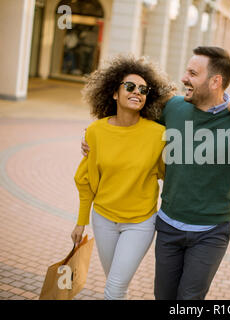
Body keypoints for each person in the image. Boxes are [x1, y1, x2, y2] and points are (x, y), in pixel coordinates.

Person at [82, 46, 230, 300]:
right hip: (168, 225)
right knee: (163, 297)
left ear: (215, 81)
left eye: (192, 73)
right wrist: (90, 138)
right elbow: (128, 123)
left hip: (212, 230)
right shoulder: (174, 108)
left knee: (189, 300)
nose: (184, 78)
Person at [71, 55, 176, 300]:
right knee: (116, 284)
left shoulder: (158, 134)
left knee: (114, 287)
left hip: (140, 223)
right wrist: (80, 221)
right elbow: (84, 179)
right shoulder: (96, 131)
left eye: (143, 89)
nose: (136, 92)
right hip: (104, 219)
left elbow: (169, 173)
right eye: (129, 86)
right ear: (114, 93)